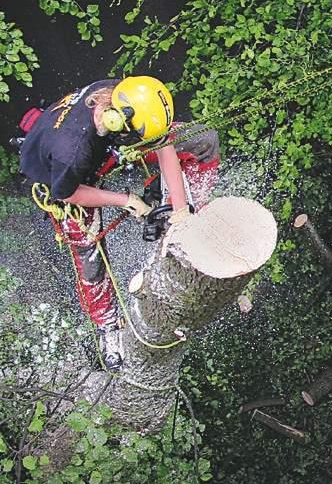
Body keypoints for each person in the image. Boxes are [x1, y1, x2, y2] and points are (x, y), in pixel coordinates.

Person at [20, 76, 219, 370]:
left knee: (203, 139)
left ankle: (192, 209)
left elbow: (163, 142)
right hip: (66, 180)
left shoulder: (128, 95)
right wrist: (126, 200)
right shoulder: (72, 151)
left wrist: (180, 215)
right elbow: (70, 193)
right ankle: (108, 326)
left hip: (106, 146)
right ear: (116, 122)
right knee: (89, 253)